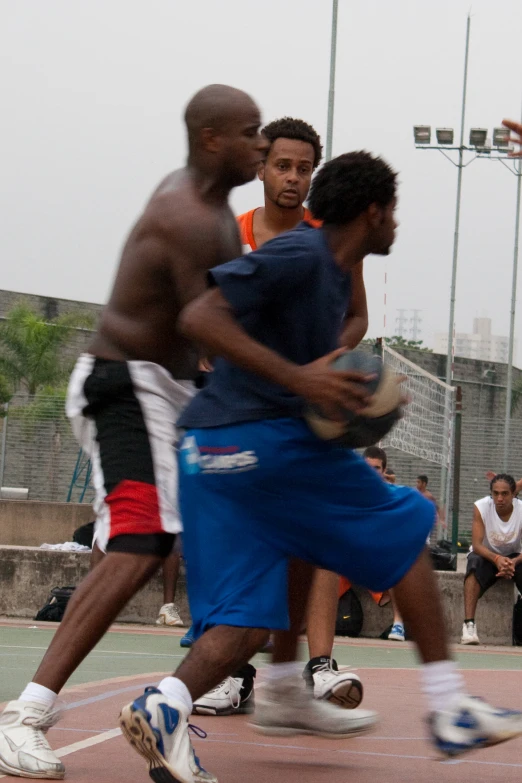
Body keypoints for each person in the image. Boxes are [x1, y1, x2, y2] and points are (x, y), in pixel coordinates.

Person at [116, 150, 522, 779]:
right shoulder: (303, 255)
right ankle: (449, 707)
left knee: (246, 621)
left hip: (212, 454)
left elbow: (307, 363)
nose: (396, 225)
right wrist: (301, 381)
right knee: (409, 522)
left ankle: (171, 705)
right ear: (371, 211)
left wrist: (353, 396)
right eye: (393, 212)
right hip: (262, 444)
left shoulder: (333, 271)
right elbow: (198, 315)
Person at [0, 83, 268, 782]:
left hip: (167, 390)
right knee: (141, 543)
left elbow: (208, 338)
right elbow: (208, 330)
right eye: (251, 133)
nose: (261, 146)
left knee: (198, 539)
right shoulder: (189, 216)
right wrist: (302, 384)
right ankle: (24, 713)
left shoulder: (207, 206)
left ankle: (169, 714)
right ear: (212, 139)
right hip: (126, 385)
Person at [192, 116, 367, 717]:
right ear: (261, 168)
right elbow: (202, 314)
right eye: (282, 166)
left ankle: (314, 665)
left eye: (303, 168)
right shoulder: (228, 234)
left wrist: (326, 360)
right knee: (246, 540)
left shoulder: (333, 237)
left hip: (306, 409)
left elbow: (357, 317)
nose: (293, 178)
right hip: (242, 412)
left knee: (314, 539)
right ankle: (237, 671)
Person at [461, 474, 522, 645]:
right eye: (495, 494)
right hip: (486, 554)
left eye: (504, 494)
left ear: (513, 494)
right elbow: (477, 545)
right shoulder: (481, 507)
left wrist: (513, 562)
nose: (499, 498)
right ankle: (469, 626)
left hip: (512, 558)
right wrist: (496, 559)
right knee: (473, 564)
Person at [90, 535, 184, 627]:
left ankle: (167, 608)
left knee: (171, 539)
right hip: (125, 528)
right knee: (101, 537)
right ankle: (94, 606)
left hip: (150, 529)